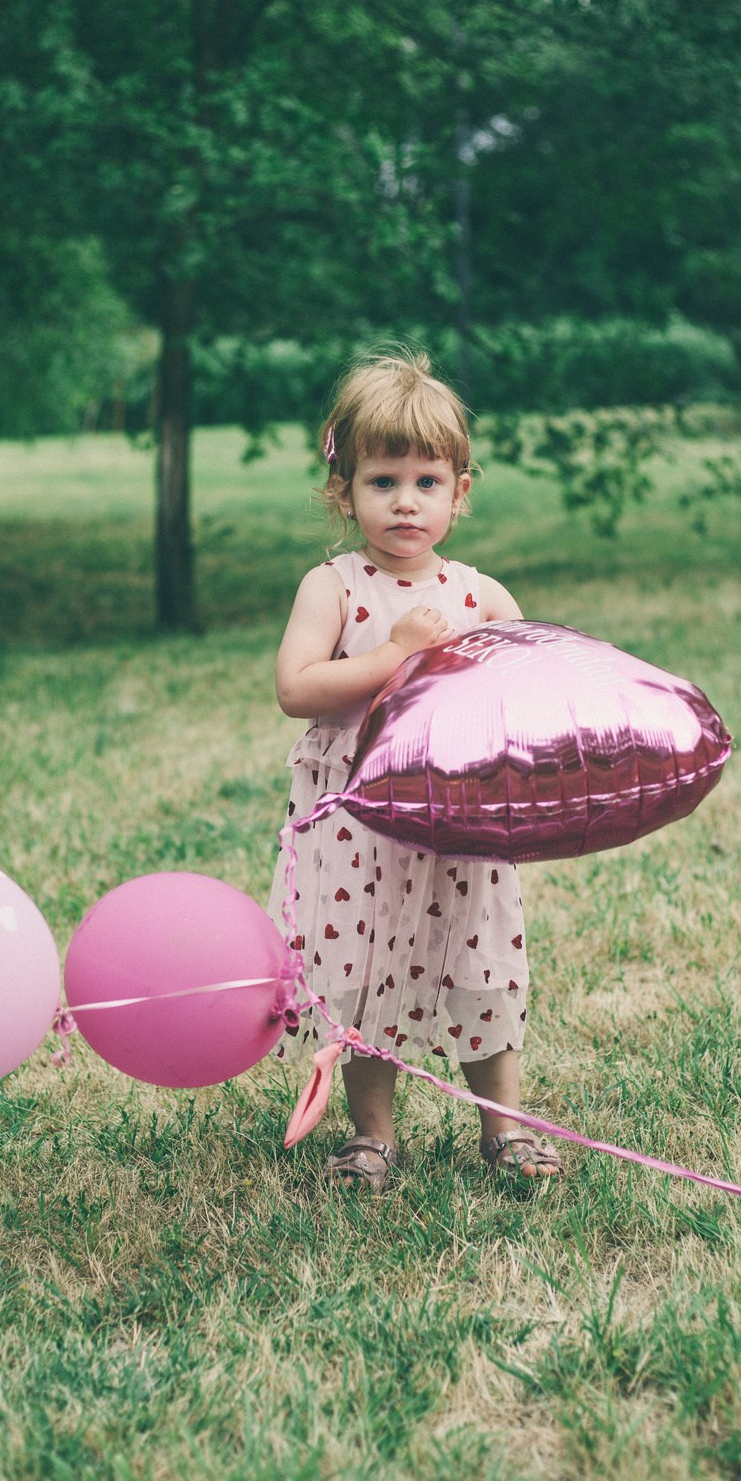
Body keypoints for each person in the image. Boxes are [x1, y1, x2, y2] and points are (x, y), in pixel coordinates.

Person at [267, 350, 563, 1193]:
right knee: (363, 973)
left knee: (476, 963)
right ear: (343, 489)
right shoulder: (334, 588)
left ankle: (503, 1129)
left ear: (460, 491)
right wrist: (394, 653)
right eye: (382, 479)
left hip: (460, 821)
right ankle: (373, 1136)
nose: (405, 501)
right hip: (359, 822)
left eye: (427, 481)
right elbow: (297, 688)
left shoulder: (481, 596)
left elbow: (531, 685)